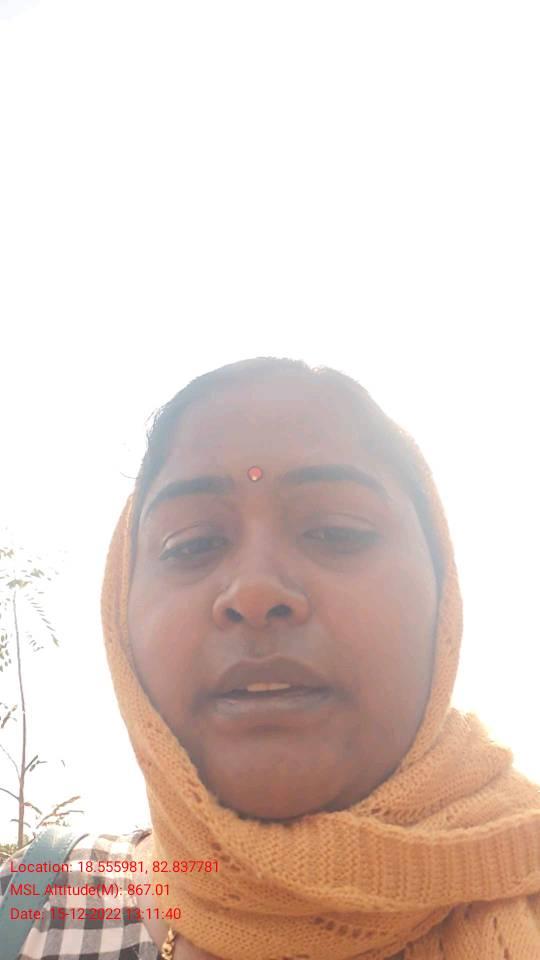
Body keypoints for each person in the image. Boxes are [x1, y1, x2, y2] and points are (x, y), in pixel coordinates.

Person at [2, 355, 540, 960]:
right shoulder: (29, 908)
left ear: (444, 597)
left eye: (337, 531)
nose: (255, 592)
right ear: (120, 611)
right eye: (192, 543)